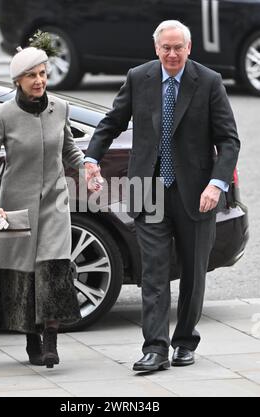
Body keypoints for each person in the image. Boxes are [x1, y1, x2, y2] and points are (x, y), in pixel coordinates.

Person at [84, 20, 240, 372]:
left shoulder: (209, 82)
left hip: (196, 194)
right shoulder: (140, 78)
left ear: (189, 48)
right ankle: (155, 347)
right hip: (149, 191)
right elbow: (112, 121)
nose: (172, 54)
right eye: (165, 48)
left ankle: (185, 341)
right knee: (153, 272)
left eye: (178, 48)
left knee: (193, 273)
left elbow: (229, 140)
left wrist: (216, 184)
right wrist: (92, 158)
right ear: (156, 49)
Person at [0, 46, 85, 369]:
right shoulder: (2, 116)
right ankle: (31, 338)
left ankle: (50, 339)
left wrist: (88, 170)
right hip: (15, 209)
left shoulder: (61, 108)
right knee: (25, 276)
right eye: (31, 76)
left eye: (42, 74)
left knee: (53, 268)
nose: (39, 81)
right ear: (18, 81)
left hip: (54, 204)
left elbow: (70, 151)